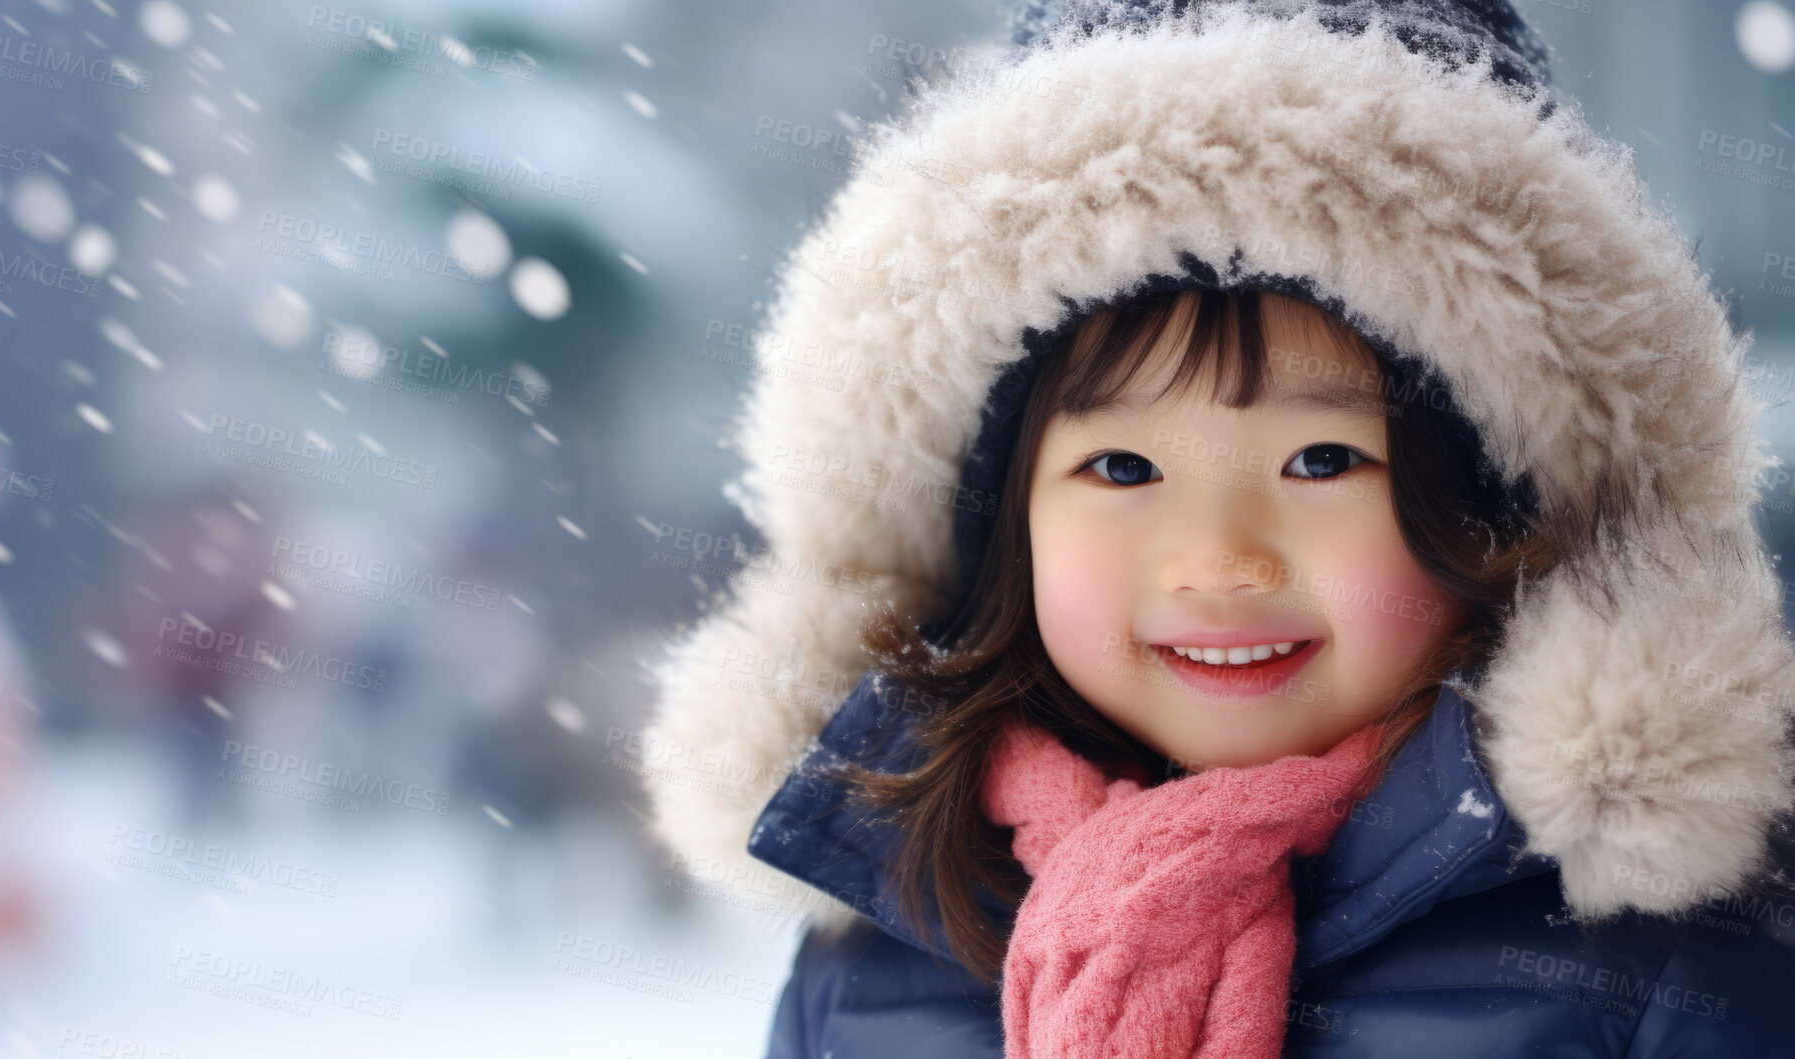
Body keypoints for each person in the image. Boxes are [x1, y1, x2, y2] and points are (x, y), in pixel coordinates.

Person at [639, 0, 1795, 1054]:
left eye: (1323, 459)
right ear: (1004, 531)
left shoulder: (1663, 960)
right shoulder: (883, 952)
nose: (1220, 557)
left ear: (1499, 512)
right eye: (1123, 466)